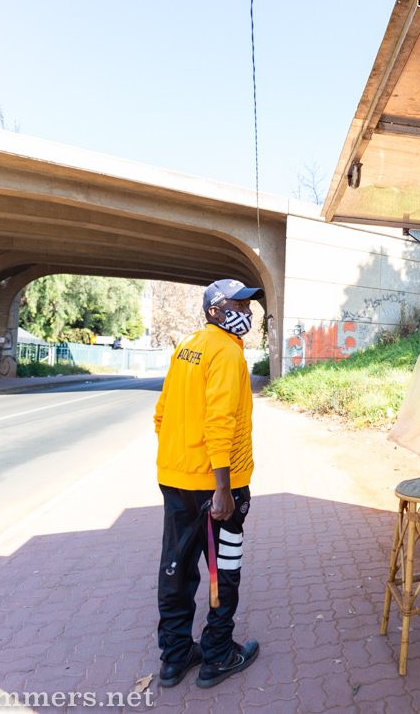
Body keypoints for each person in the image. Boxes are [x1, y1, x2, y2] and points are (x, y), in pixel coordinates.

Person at [153, 278, 264, 689]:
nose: (248, 313)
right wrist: (222, 487)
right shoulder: (226, 352)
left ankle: (175, 656)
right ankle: (218, 654)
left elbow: (161, 413)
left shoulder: (187, 346)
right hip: (219, 487)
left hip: (175, 479)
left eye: (249, 306)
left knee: (177, 568)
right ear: (215, 310)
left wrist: (180, 459)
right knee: (223, 569)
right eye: (240, 305)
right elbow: (220, 422)